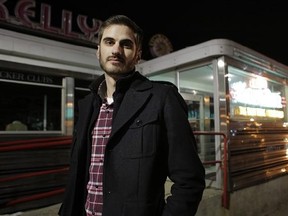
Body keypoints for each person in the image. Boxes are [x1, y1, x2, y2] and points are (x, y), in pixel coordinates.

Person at [59, 14, 205, 216]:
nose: (116, 50)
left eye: (126, 44)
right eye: (109, 42)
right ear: (98, 50)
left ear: (137, 55)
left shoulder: (161, 99)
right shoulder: (87, 106)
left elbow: (190, 180)